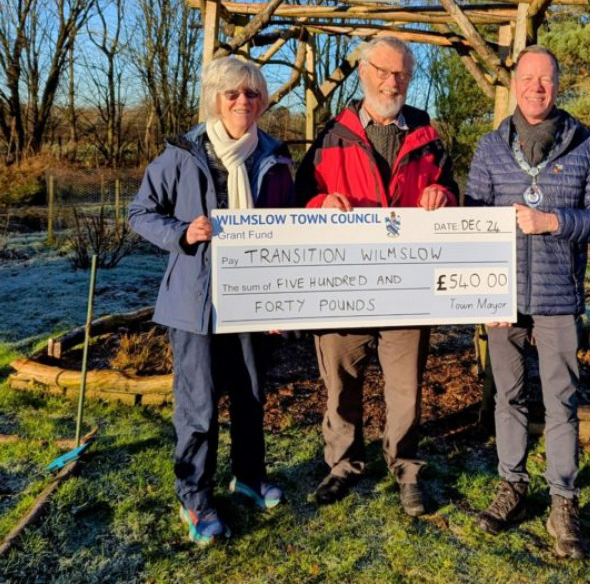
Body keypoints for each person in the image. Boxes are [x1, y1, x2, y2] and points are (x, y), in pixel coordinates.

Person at [464, 45, 590, 558]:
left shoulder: (586, 146)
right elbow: (470, 221)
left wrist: (554, 222)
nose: (536, 87)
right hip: (501, 296)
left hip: (558, 295)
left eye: (546, 80)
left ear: (558, 86)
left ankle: (563, 499)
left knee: (561, 400)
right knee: (505, 395)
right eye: (528, 78)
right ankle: (512, 484)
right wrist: (478, 290)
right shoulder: (491, 149)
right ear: (514, 86)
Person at [129, 57, 294, 545]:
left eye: (252, 94)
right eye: (233, 95)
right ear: (216, 100)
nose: (244, 102)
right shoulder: (182, 153)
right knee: (198, 407)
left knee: (250, 397)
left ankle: (248, 476)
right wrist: (182, 233)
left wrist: (285, 301)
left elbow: (292, 231)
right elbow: (139, 212)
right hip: (194, 302)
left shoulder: (275, 155)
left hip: (254, 298)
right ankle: (195, 498)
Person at [295, 35, 459, 517]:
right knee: (340, 382)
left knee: (405, 385)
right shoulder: (330, 137)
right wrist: (319, 203)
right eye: (385, 71)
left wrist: (443, 197)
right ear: (363, 72)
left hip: (409, 289)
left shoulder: (429, 138)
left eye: (403, 74)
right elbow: (299, 200)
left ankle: (406, 467)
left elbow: (452, 193)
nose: (393, 82)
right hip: (342, 287)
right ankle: (342, 463)